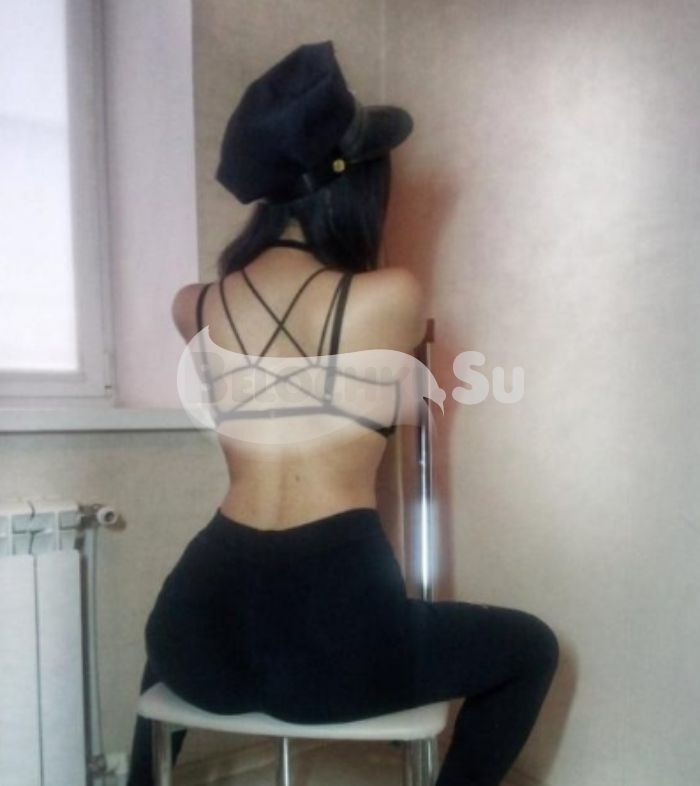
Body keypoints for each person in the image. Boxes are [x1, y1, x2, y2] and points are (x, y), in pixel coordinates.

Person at [126, 41, 559, 786]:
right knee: (532, 648)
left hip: (201, 625)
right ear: (354, 185)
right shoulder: (394, 295)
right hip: (331, 640)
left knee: (171, 643)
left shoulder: (191, 305)